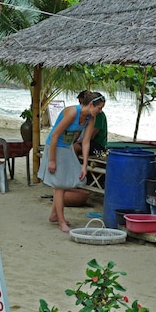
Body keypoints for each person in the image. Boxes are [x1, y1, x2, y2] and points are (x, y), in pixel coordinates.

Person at [40, 92, 105, 232]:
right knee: (59, 185)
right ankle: (61, 221)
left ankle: (53, 215)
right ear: (91, 104)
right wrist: (51, 160)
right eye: (99, 108)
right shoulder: (72, 112)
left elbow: (86, 142)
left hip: (67, 148)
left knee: (66, 182)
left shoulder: (90, 118)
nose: (100, 112)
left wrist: (84, 165)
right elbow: (55, 135)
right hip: (54, 146)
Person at [73, 90, 108, 157]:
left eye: (81, 103)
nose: (80, 105)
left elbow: (91, 136)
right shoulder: (84, 114)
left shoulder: (98, 115)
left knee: (75, 147)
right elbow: (78, 131)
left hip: (98, 145)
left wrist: (76, 143)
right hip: (87, 141)